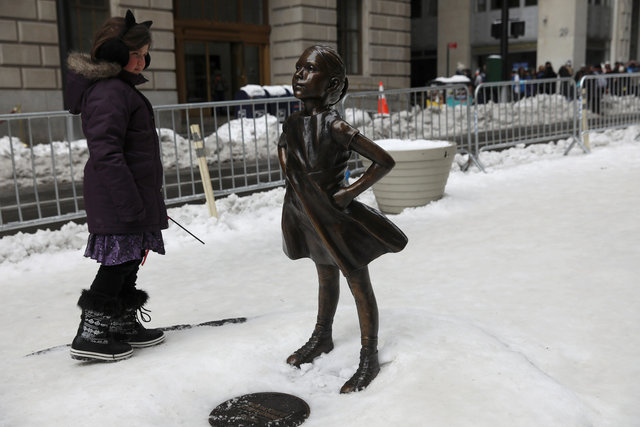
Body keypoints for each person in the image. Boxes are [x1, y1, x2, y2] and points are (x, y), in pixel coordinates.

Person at [277, 45, 408, 393]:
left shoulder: (336, 126)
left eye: (309, 70)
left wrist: (350, 193)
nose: (300, 75)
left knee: (357, 281)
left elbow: (384, 161)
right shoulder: (292, 121)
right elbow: (284, 147)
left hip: (335, 218)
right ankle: (322, 336)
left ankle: (369, 356)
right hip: (305, 213)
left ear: (333, 83)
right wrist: (289, 171)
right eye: (298, 68)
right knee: (324, 274)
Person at [64, 10, 167, 361]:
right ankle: (90, 333)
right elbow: (106, 153)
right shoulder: (109, 92)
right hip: (119, 197)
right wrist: (129, 203)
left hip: (131, 195)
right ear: (114, 54)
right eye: (133, 53)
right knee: (118, 263)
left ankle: (121, 322)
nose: (140, 61)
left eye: (144, 53)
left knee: (131, 259)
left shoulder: (120, 89)